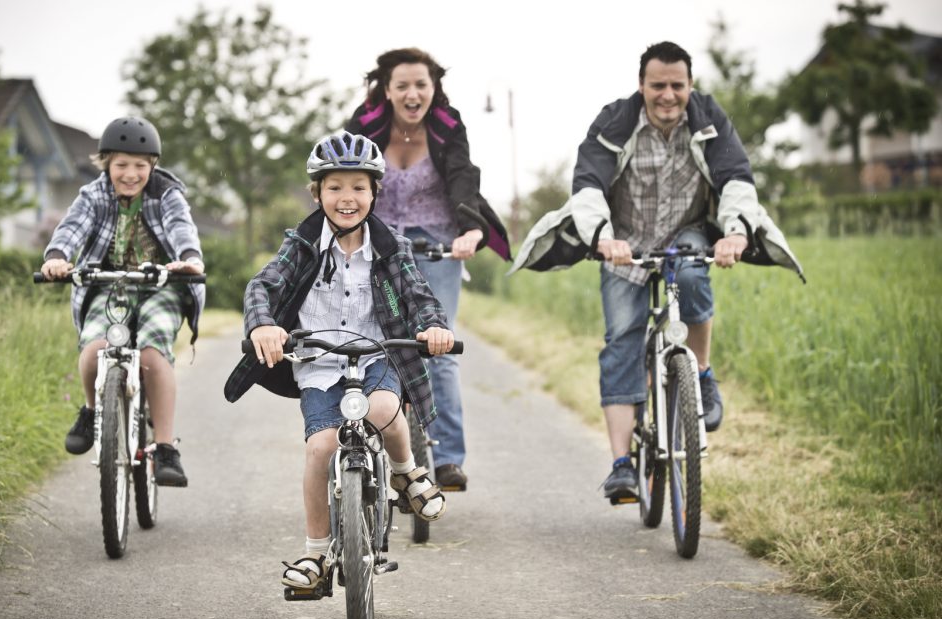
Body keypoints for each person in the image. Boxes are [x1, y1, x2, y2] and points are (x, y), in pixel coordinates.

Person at [508, 42, 804, 501]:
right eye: (658, 85)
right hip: (623, 244)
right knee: (622, 341)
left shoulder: (709, 118)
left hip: (686, 233)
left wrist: (736, 234)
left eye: (677, 85)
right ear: (642, 85)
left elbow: (736, 180)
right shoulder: (615, 122)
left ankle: (701, 374)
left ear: (690, 85)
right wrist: (602, 237)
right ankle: (622, 466)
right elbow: (587, 185)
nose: (668, 95)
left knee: (690, 275)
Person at [223, 131, 453, 589]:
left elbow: (419, 297)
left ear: (374, 193)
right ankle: (315, 554)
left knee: (385, 410)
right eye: (335, 187)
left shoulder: (393, 248)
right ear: (317, 193)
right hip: (319, 361)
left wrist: (432, 326)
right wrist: (262, 325)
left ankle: (406, 474)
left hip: (377, 354)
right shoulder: (302, 244)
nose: (347, 198)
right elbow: (262, 286)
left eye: (358, 187)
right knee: (320, 447)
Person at [344, 47, 512, 491]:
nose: (413, 93)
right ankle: (367, 446)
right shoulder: (364, 127)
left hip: (438, 241)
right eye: (402, 85)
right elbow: (342, 183)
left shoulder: (447, 129)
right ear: (387, 90)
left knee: (440, 348)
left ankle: (448, 460)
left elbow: (463, 178)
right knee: (371, 344)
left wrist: (470, 231)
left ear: (434, 88)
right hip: (376, 242)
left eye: (422, 84)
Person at [40, 116, 206, 488]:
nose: (130, 174)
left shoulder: (167, 194)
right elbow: (73, 226)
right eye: (121, 165)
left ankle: (164, 447)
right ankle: (90, 410)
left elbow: (181, 227)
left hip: (160, 284)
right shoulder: (93, 194)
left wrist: (190, 258)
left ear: (153, 166)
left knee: (151, 355)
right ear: (106, 164)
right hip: (108, 283)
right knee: (95, 347)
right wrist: (57, 256)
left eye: (140, 166)